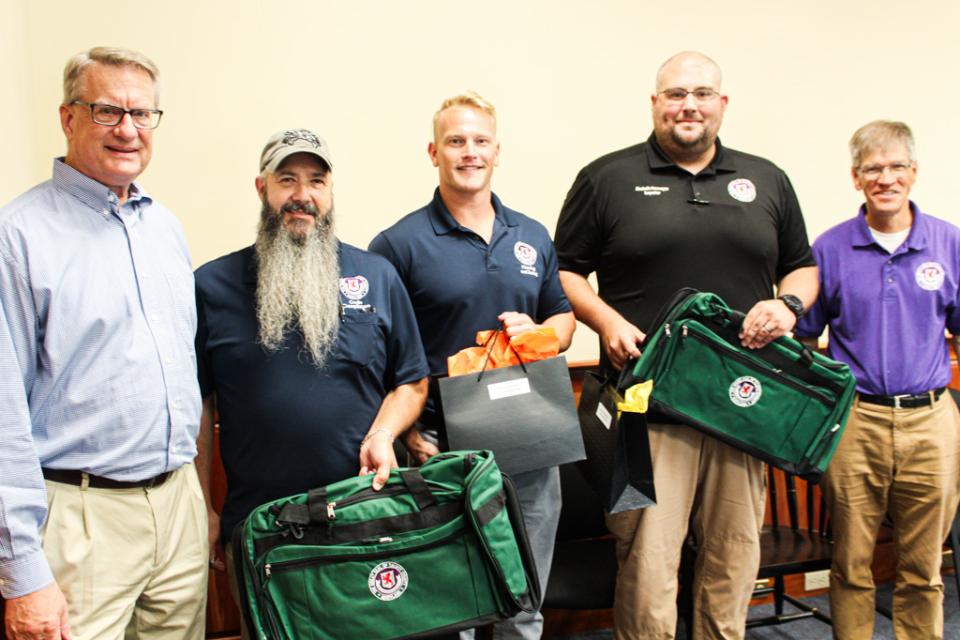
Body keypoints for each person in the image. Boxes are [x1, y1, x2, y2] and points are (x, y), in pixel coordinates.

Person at [553, 51, 819, 639]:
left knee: (733, 556)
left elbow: (802, 267)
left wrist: (788, 305)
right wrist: (607, 321)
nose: (688, 105)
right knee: (649, 560)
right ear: (654, 103)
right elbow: (564, 271)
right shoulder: (606, 178)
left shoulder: (767, 179)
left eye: (701, 93)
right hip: (650, 409)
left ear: (722, 104)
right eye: (675, 94)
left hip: (745, 409)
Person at [0, 47, 206, 639]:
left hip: (177, 506)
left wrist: (195, 505)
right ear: (68, 118)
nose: (127, 130)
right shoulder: (19, 237)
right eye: (107, 111)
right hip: (80, 518)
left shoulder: (165, 228)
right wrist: (22, 572)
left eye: (142, 115)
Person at [194, 128, 429, 637]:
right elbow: (198, 410)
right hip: (260, 529)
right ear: (262, 189)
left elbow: (411, 382)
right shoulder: (211, 285)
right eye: (287, 179)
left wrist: (383, 433)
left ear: (329, 192)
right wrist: (205, 509)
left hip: (364, 519)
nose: (302, 195)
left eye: (316, 181)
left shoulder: (377, 275)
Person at [369, 91, 575, 639]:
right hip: (440, 446)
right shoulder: (397, 244)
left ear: (497, 151)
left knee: (524, 598)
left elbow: (562, 317)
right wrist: (409, 432)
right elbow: (384, 354)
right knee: (448, 606)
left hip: (531, 438)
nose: (469, 152)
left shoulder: (530, 234)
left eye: (480, 141)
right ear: (432, 152)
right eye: (455, 141)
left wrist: (543, 335)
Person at [795, 120, 960, 640]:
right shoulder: (829, 249)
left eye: (895, 167)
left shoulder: (948, 243)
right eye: (872, 169)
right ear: (855, 177)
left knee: (924, 568)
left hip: (931, 422)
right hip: (855, 424)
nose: (884, 178)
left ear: (913, 172)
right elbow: (803, 337)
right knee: (851, 564)